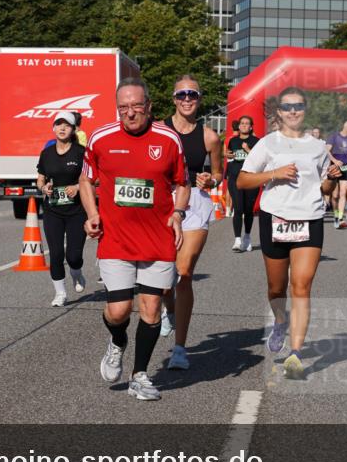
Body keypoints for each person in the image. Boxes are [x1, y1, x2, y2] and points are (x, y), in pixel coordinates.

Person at [79, 77, 190, 402]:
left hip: (158, 239)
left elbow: (182, 182)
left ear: (149, 107)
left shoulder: (169, 140)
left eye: (136, 107)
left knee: (152, 308)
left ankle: (139, 375)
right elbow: (86, 180)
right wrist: (92, 213)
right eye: (123, 107)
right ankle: (117, 341)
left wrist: (179, 212)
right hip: (117, 239)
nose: (130, 114)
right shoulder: (101, 138)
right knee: (118, 311)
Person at [237, 87, 340, 379]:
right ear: (279, 112)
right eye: (287, 106)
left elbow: (323, 189)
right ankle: (280, 321)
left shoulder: (318, 147)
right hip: (276, 218)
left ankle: (295, 353)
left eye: (298, 106)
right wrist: (274, 173)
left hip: (310, 218)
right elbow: (244, 181)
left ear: (305, 110)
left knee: (302, 286)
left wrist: (331, 180)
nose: (293, 111)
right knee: (276, 288)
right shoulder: (268, 144)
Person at [159, 75, 223, 370]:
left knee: (184, 272)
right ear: (173, 98)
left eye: (193, 95)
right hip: (162, 203)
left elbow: (219, 175)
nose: (187, 99)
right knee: (162, 279)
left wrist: (211, 179)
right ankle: (168, 310)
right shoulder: (158, 130)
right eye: (182, 94)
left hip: (195, 204)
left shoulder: (209, 136)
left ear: (199, 99)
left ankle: (180, 348)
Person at [37, 111, 87, 306]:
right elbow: (41, 178)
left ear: (73, 129)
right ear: (53, 128)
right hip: (53, 210)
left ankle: (77, 272)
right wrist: (44, 187)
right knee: (56, 253)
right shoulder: (46, 153)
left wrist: (77, 187)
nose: (62, 128)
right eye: (59, 124)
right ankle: (60, 293)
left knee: (73, 256)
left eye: (67, 125)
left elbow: (93, 178)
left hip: (77, 210)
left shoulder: (81, 152)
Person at [225, 115, 259, 252]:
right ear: (238, 127)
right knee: (238, 208)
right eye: (242, 123)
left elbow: (259, 160)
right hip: (235, 177)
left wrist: (248, 150)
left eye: (247, 124)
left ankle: (247, 237)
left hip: (251, 178)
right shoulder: (232, 141)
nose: (244, 125)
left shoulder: (256, 141)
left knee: (248, 210)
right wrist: (229, 156)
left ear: (251, 127)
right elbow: (230, 156)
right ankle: (237, 240)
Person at [327, 120, 347, 228]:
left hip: (346, 168)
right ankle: (335, 215)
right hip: (334, 167)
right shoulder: (334, 137)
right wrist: (334, 160)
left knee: (343, 194)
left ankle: (340, 218)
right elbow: (326, 151)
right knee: (335, 196)